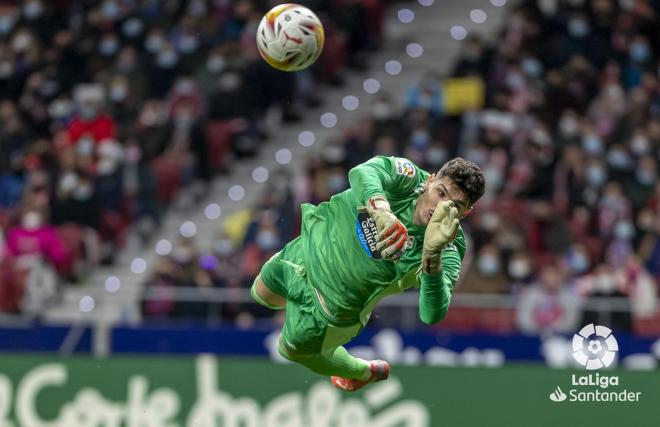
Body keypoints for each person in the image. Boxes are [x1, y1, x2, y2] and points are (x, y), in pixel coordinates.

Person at [250, 156, 485, 391]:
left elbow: (432, 314)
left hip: (329, 310)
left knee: (289, 349)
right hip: (303, 253)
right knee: (260, 294)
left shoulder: (450, 250)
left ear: (465, 214)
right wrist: (381, 211)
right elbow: (360, 172)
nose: (439, 207)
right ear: (431, 181)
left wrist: (432, 255)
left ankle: (362, 371)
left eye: (453, 206)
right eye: (441, 193)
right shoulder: (409, 179)